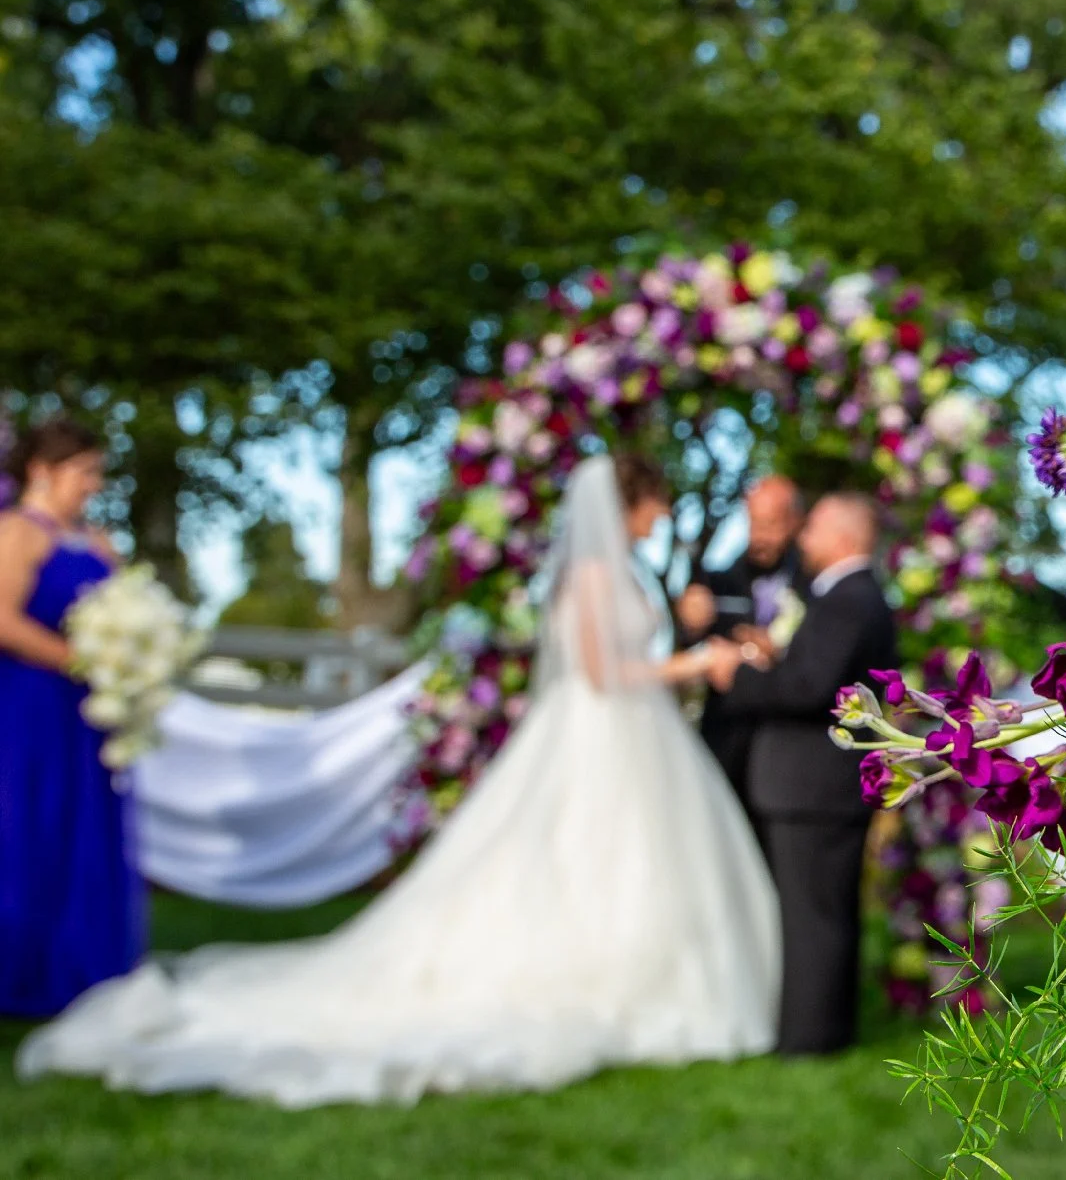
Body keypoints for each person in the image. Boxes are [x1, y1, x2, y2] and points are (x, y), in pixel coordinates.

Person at [18, 454, 782, 1105]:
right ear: (635, 503)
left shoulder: (626, 570)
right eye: (656, 506)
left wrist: (687, 638)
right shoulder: (589, 572)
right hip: (600, 730)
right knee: (589, 856)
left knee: (630, 860)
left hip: (634, 736)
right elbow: (600, 668)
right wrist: (692, 662)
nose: (658, 519)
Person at [717, 490, 896, 1055]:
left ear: (843, 536)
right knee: (821, 912)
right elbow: (817, 675)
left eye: (813, 527)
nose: (804, 538)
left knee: (811, 918)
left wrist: (734, 678)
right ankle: (820, 1032)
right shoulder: (854, 597)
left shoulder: (848, 597)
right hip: (819, 787)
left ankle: (809, 1040)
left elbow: (808, 690)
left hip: (812, 788)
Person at [0, 416, 141, 1018]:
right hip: (30, 707)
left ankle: (85, 970)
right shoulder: (17, 534)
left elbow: (131, 602)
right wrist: (78, 659)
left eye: (96, 473)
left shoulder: (95, 541)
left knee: (84, 828)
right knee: (31, 824)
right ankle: (22, 972)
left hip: (87, 714)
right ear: (42, 471)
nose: (93, 484)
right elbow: (3, 619)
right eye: (84, 471)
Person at [677, 474, 806, 814]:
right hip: (727, 741)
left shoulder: (812, 583)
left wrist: (778, 652)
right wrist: (690, 622)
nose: (759, 536)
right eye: (753, 524)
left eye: (771, 525)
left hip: (788, 749)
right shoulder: (717, 579)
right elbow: (688, 646)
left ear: (794, 522)